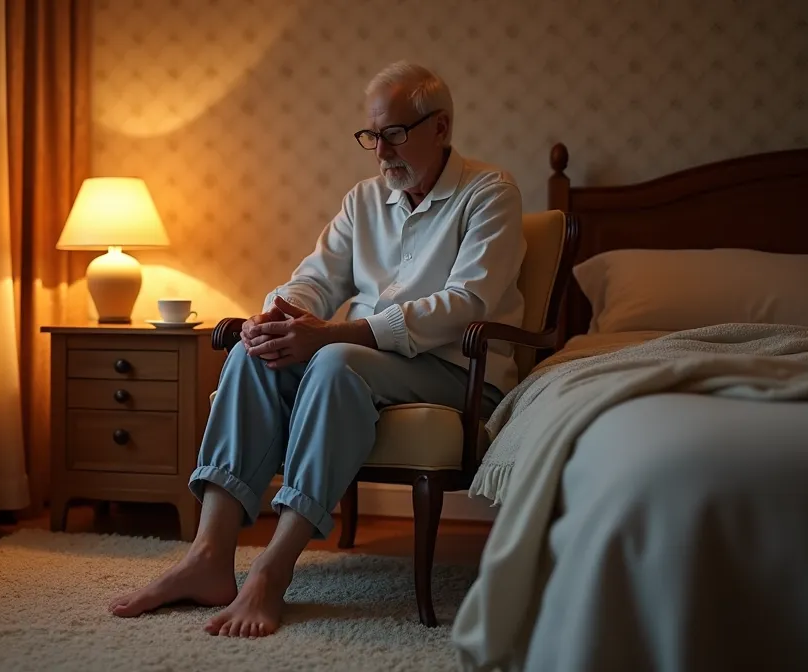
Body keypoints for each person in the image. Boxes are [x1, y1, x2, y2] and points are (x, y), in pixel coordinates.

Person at [108, 60, 527, 637]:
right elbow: (315, 279)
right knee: (253, 354)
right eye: (372, 136)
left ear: (441, 127)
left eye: (395, 134)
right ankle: (208, 557)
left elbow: (465, 303)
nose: (382, 153)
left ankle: (272, 571)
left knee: (334, 360)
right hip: (365, 359)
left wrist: (334, 334)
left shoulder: (490, 193)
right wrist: (273, 318)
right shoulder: (364, 201)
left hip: (455, 368)